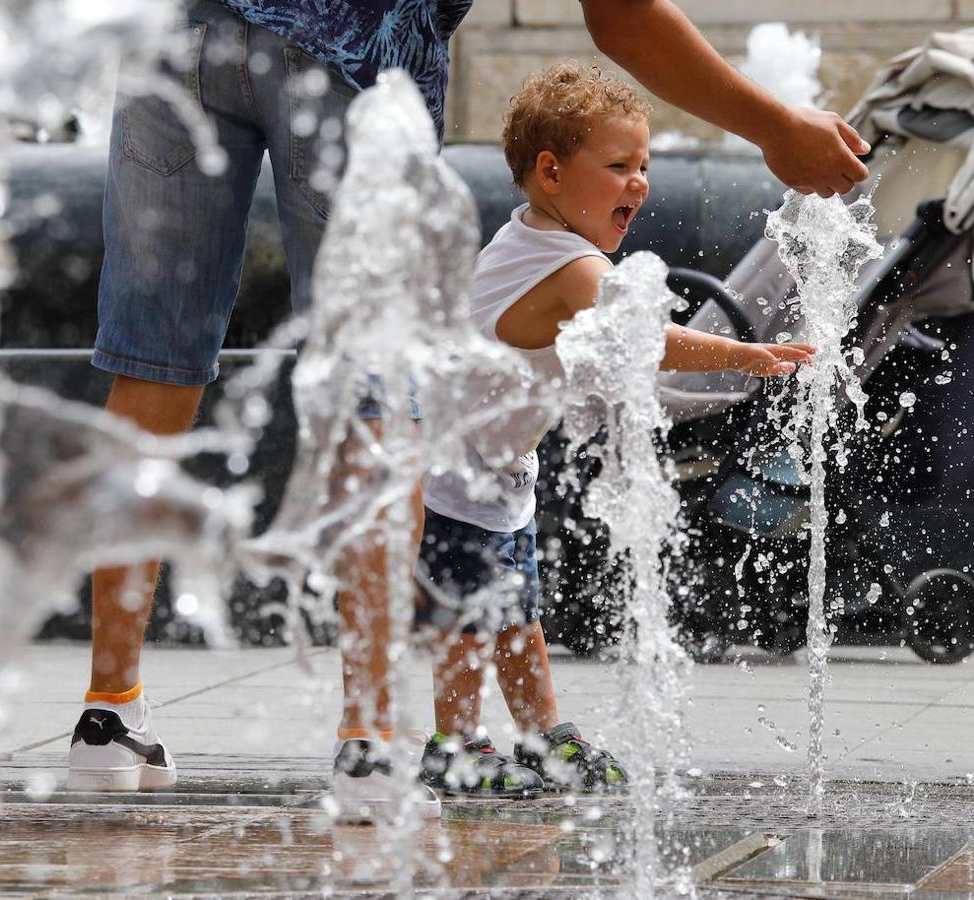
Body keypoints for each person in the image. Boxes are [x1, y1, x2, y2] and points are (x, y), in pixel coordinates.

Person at [67, 0, 868, 813]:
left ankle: (108, 712)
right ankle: (369, 742)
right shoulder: (561, 265)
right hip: (350, 53)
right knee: (370, 384)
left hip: (178, 34)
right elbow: (622, 16)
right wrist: (770, 126)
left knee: (152, 367)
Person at [416, 63, 817, 798]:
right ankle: (453, 746)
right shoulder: (569, 265)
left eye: (643, 166)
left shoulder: (526, 239)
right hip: (453, 471)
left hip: (487, 468)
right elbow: (648, 336)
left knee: (514, 614)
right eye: (617, 166)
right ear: (551, 173)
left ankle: (540, 736)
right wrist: (744, 354)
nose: (638, 182)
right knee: (472, 619)